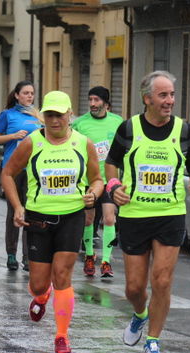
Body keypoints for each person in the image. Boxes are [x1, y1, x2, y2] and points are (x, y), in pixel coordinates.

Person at [105, 71, 190, 353]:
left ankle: (153, 341)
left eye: (172, 94)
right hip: (135, 214)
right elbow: (112, 163)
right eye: (163, 95)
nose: (169, 101)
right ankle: (139, 314)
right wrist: (113, 187)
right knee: (134, 288)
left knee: (161, 280)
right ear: (147, 99)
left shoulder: (184, 131)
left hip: (170, 214)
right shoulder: (129, 129)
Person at [1, 90, 103, 353]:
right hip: (38, 219)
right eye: (49, 115)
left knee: (63, 275)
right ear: (42, 116)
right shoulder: (32, 143)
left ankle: (61, 336)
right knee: (37, 284)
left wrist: (94, 193)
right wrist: (18, 206)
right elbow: (8, 174)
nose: (54, 120)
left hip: (72, 216)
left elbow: (97, 179)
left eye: (59, 115)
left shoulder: (84, 144)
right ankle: (41, 295)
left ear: (70, 115)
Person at [72, 86, 123, 278]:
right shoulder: (80, 124)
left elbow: (125, 149)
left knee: (110, 218)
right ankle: (90, 257)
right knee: (88, 220)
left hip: (109, 180)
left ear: (106, 103)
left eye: (96, 100)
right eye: (90, 100)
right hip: (89, 181)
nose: (92, 104)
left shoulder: (118, 122)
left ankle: (106, 262)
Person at [0, 81, 41, 271]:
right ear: (17, 95)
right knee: (14, 212)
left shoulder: (37, 115)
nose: (29, 96)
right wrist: (12, 136)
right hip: (12, 170)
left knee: (31, 212)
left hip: (33, 170)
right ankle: (11, 254)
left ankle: (28, 257)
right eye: (26, 93)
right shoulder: (7, 115)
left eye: (32, 93)